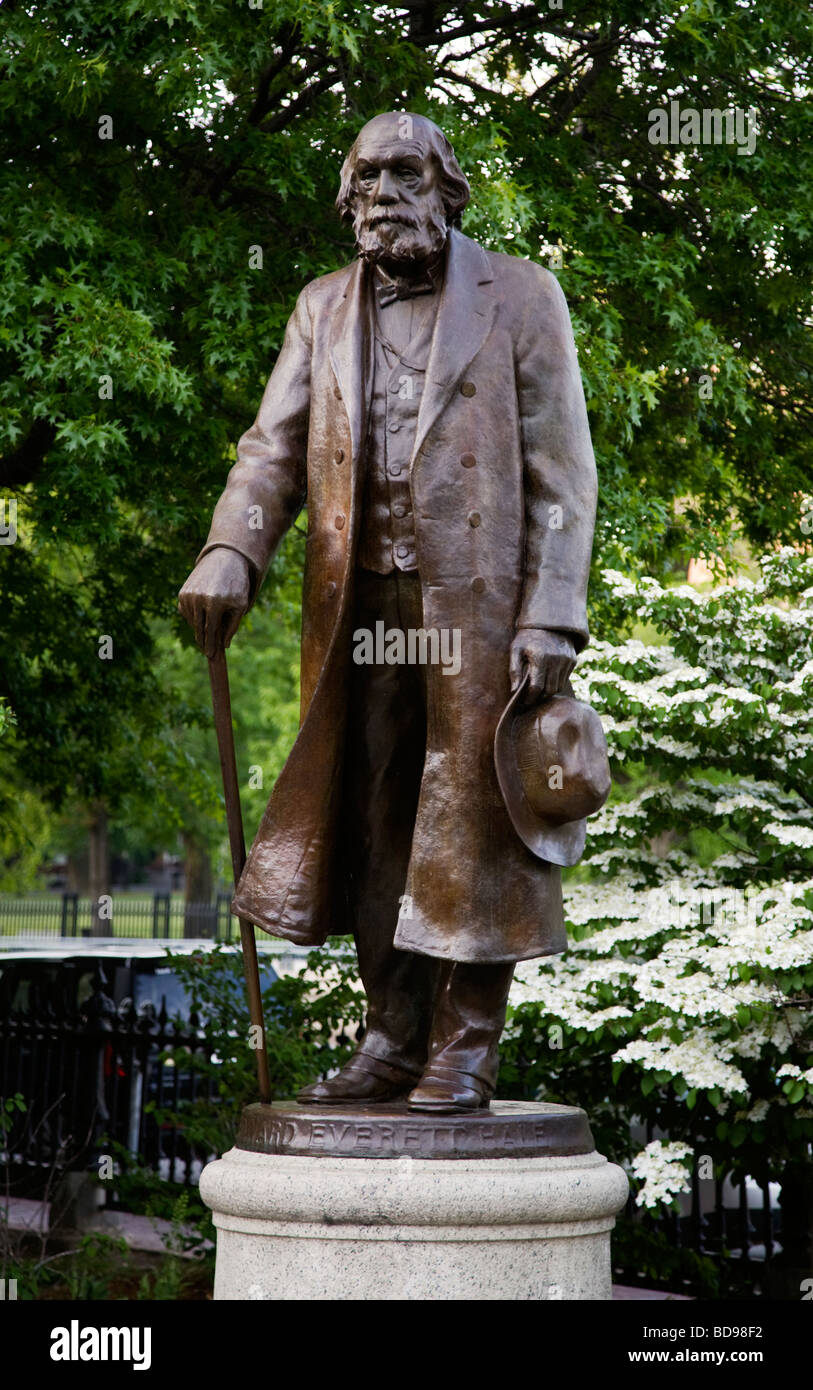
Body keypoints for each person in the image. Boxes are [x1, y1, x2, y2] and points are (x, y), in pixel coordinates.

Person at [178, 112, 597, 1114]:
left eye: (406, 173)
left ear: (449, 189)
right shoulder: (321, 310)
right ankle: (392, 1034)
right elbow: (271, 450)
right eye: (365, 177)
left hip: (484, 616)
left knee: (477, 823)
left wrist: (552, 612)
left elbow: (564, 474)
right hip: (361, 608)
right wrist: (231, 549)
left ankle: (468, 1042)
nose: (383, 194)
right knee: (373, 821)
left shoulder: (522, 297)